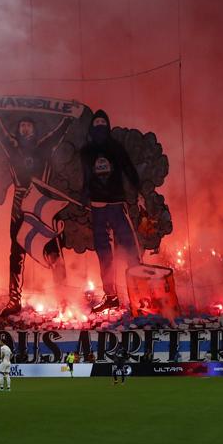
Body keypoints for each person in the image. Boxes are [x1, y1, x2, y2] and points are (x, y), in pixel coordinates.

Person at [0, 116, 74, 316]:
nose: (25, 128)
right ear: (18, 129)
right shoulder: (13, 149)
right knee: (16, 254)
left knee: (53, 250)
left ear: (34, 129)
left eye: (29, 125)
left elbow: (57, 135)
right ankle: (14, 301)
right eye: (22, 125)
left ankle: (63, 300)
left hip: (41, 204)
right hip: (20, 205)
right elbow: (1, 135)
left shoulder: (43, 148)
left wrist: (67, 119)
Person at [80, 110, 144, 312]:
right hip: (97, 206)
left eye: (103, 122)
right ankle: (111, 296)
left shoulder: (116, 148)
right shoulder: (87, 151)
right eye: (96, 122)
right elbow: (86, 176)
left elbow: (128, 168)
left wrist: (138, 190)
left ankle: (140, 294)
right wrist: (85, 194)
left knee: (129, 248)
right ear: (92, 127)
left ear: (107, 126)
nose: (99, 125)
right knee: (103, 253)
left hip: (116, 204)